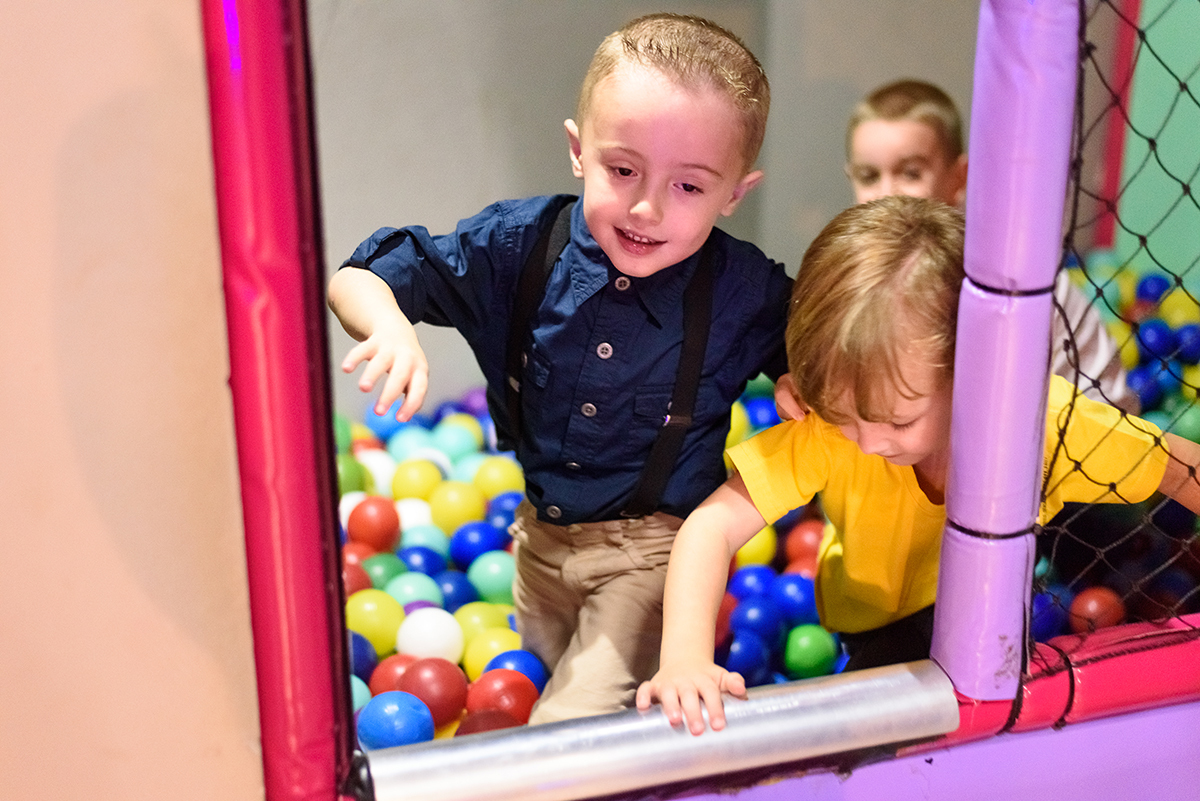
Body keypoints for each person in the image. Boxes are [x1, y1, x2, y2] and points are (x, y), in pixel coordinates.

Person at [327, 13, 791, 724]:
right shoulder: (519, 247)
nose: (646, 207)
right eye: (622, 170)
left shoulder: (741, 292)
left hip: (653, 558)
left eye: (690, 187)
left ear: (734, 193)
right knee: (535, 685)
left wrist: (802, 379)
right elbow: (358, 275)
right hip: (537, 543)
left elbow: (828, 347)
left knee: (565, 733)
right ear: (579, 151)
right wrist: (390, 323)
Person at [636, 196, 1200, 735]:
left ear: (969, 372)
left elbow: (1181, 467)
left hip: (995, 603)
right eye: (846, 415)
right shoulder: (829, 431)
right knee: (876, 736)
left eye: (898, 420)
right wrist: (685, 658)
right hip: (878, 620)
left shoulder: (1040, 424)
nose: (869, 441)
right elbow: (712, 526)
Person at [779, 79, 1137, 416]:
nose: (887, 193)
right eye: (869, 176)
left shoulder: (1007, 280)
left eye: (911, 173)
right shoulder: (856, 274)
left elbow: (1098, 417)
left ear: (959, 177)